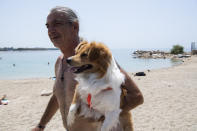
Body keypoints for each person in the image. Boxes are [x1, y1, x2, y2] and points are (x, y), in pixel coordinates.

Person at [32, 6, 143, 131]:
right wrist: (41, 125)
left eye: (57, 24)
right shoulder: (59, 62)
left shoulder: (96, 59)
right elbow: (58, 96)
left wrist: (103, 117)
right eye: (48, 26)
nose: (50, 30)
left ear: (75, 27)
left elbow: (136, 96)